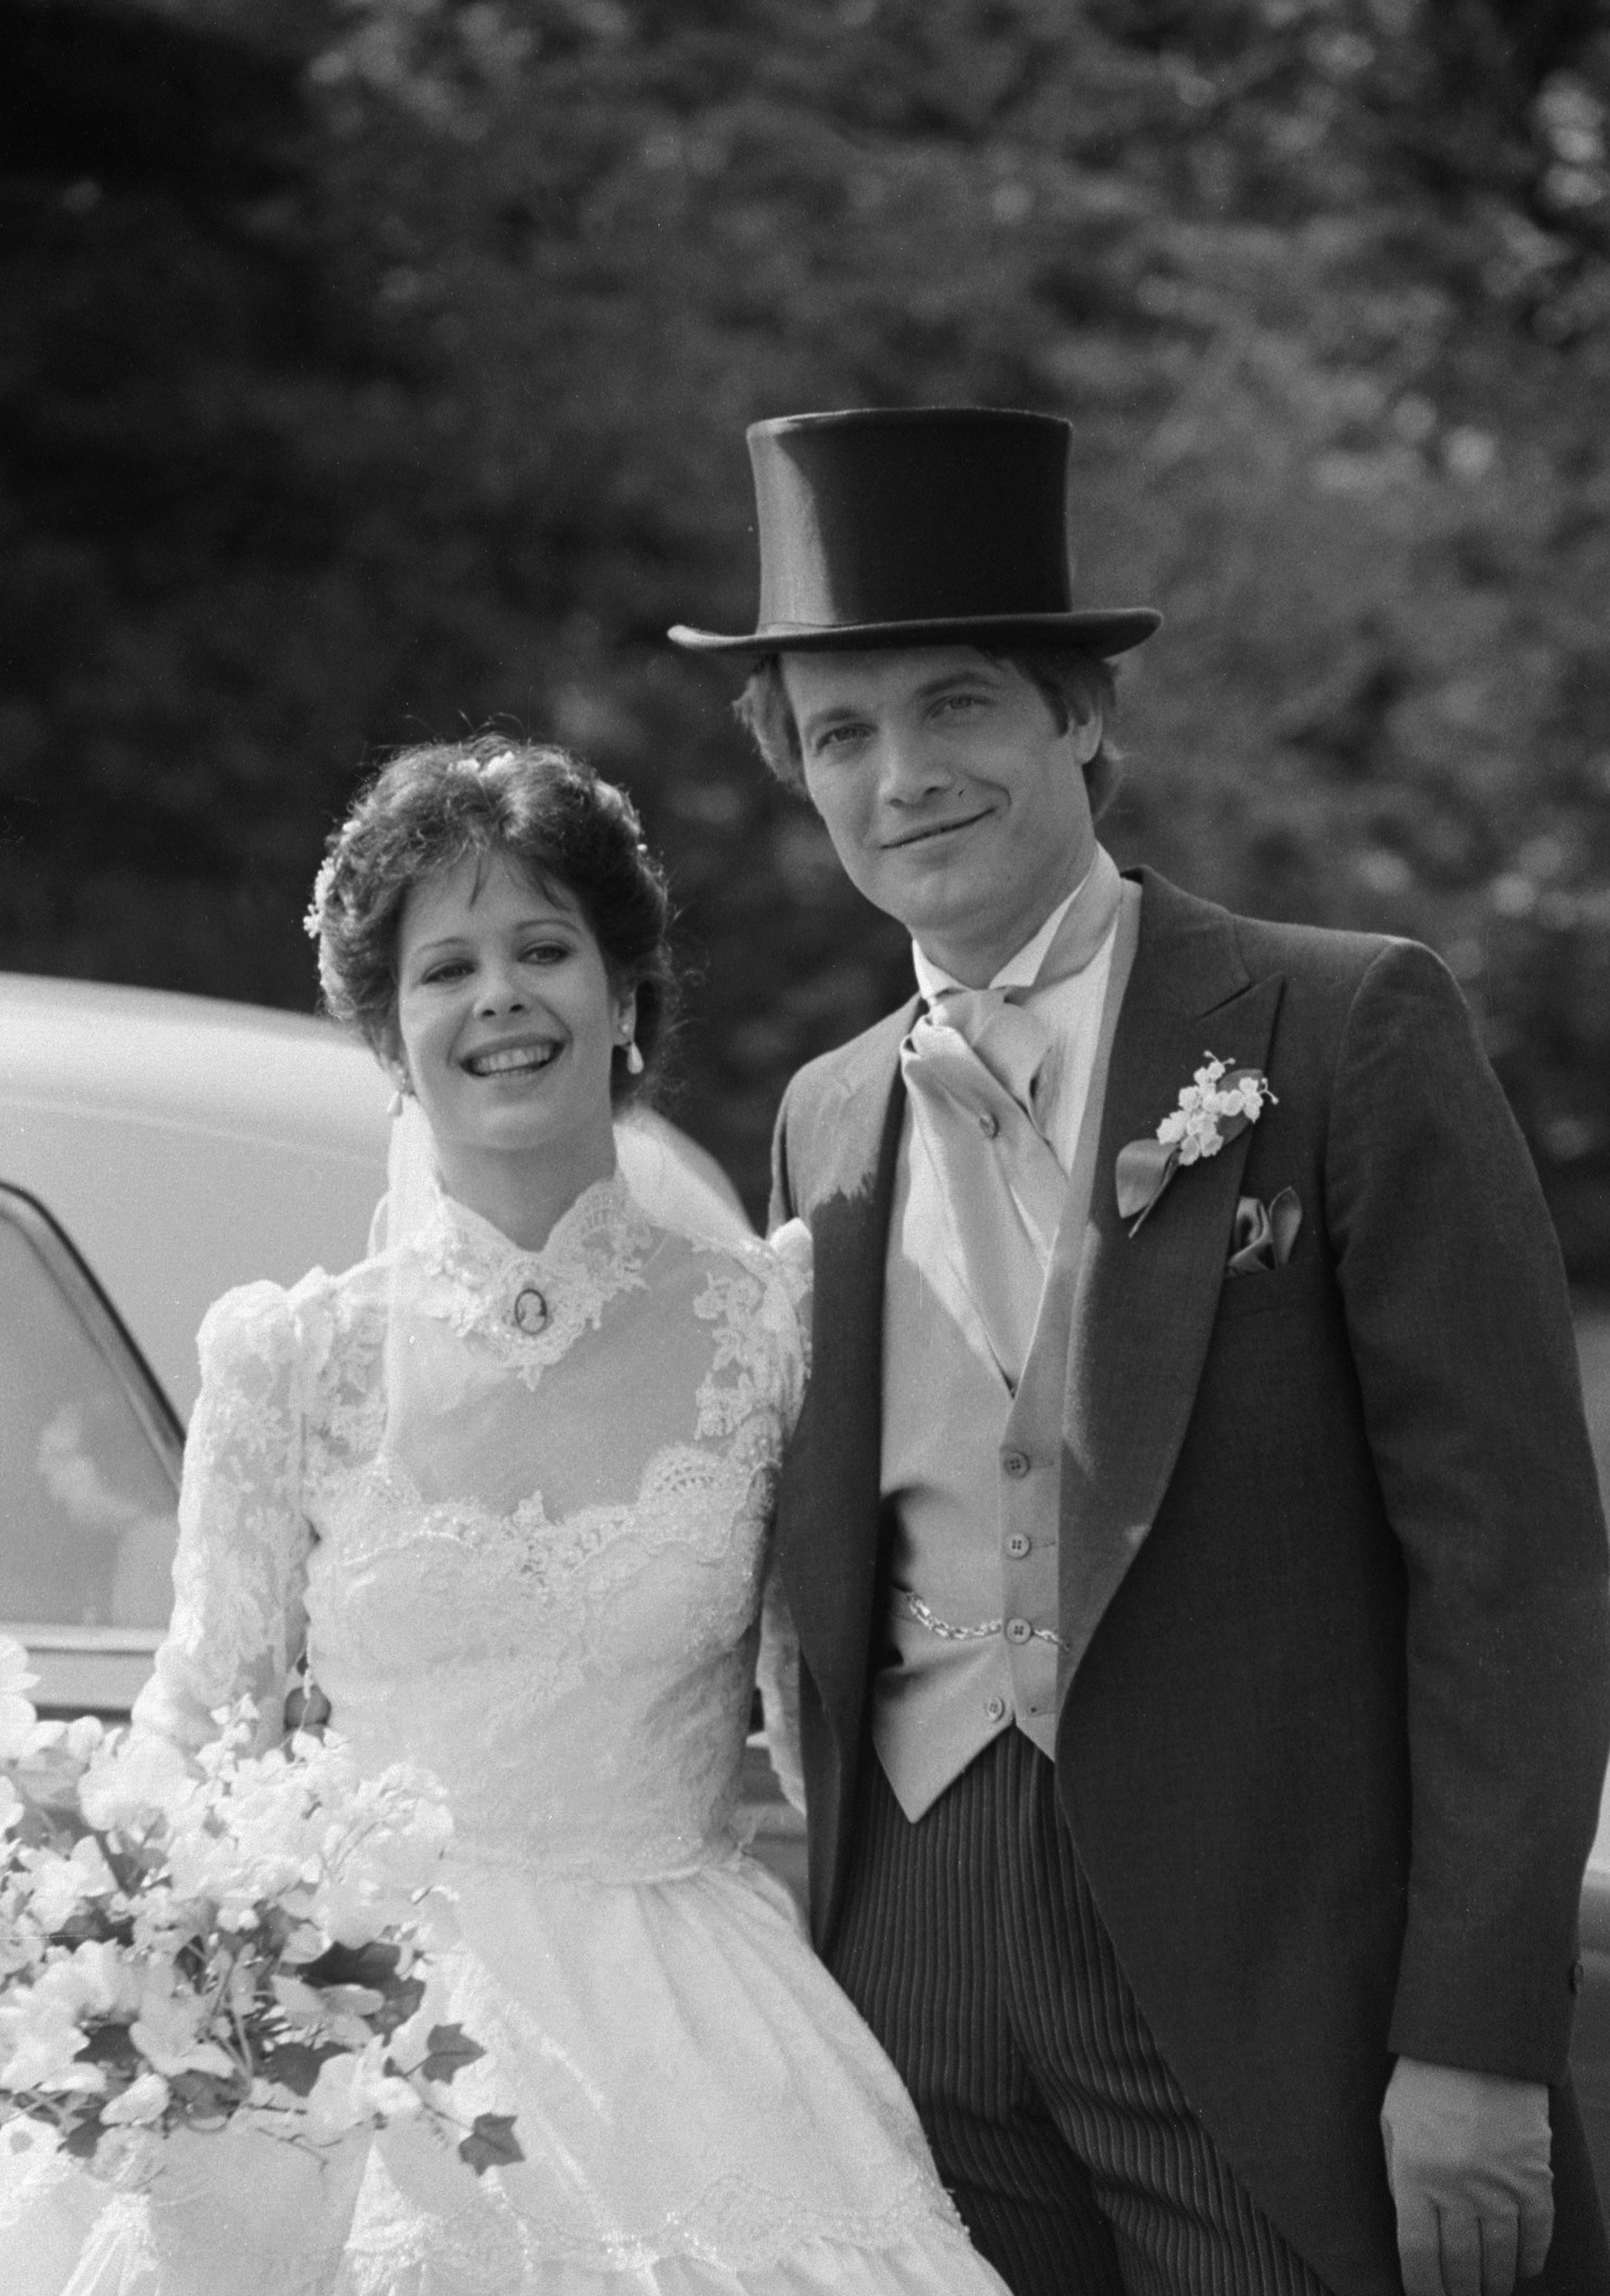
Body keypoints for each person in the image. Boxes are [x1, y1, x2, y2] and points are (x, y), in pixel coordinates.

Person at [668, 406, 1610, 2296]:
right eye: (841, 737)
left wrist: (1477, 2038)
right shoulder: (820, 1118)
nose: (902, 776)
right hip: (913, 1959)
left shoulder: (1345, 1028)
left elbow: (1510, 1573)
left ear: (1081, 718)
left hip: (1264, 1977)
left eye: (957, 711)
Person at [4, 737, 1015, 2296]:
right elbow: (197, 1724)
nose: (500, 999)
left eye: (545, 949)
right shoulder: (295, 1358)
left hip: (689, 2018)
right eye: (444, 969)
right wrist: (134, 1980)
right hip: (355, 2037)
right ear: (389, 1036)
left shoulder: (775, 1331)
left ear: (625, 998)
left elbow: (854, 1685)